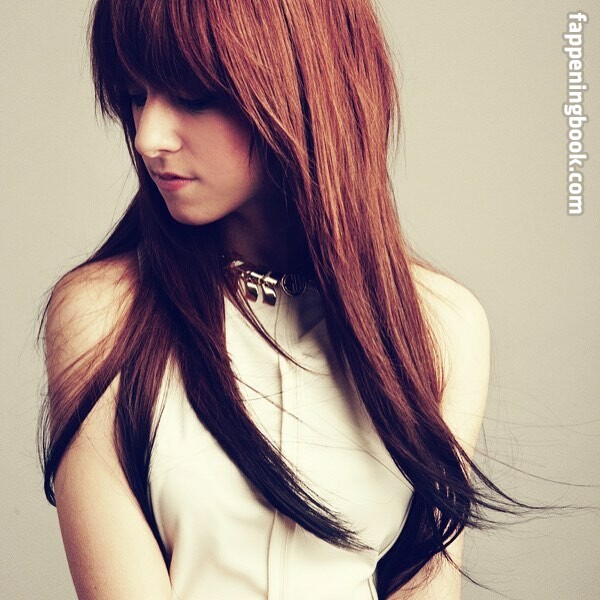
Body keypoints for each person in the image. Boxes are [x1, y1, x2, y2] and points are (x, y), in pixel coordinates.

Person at [38, 0, 507, 598]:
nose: (148, 137)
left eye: (192, 97)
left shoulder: (441, 325)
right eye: (134, 95)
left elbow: (428, 581)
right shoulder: (105, 317)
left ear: (301, 88)